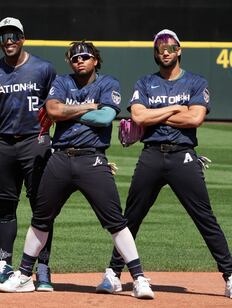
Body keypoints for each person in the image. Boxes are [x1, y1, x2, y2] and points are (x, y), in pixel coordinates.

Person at [0, 41, 155, 299]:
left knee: (115, 221)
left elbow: (105, 118)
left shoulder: (108, 83)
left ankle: (138, 278)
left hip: (92, 160)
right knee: (41, 218)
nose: (79, 60)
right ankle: (25, 275)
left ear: (95, 60)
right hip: (59, 159)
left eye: (85, 56)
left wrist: (69, 112)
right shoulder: (62, 82)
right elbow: (52, 110)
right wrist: (88, 107)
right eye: (74, 57)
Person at [96, 29, 232, 299]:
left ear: (179, 50)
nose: (166, 51)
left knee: (204, 218)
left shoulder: (195, 81)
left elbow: (194, 120)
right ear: (156, 53)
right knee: (130, 217)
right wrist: (175, 110)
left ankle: (229, 275)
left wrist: (154, 116)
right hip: (152, 155)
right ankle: (113, 273)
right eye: (160, 47)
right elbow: (138, 117)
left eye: (171, 46)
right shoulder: (145, 82)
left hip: (183, 156)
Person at [0, 17, 55, 290]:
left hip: (35, 142)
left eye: (12, 36)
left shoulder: (44, 69)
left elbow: (55, 106)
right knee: (6, 206)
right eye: (2, 36)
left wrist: (48, 137)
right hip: (5, 143)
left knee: (41, 208)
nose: (7, 41)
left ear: (22, 38)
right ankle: (5, 263)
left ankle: (42, 268)